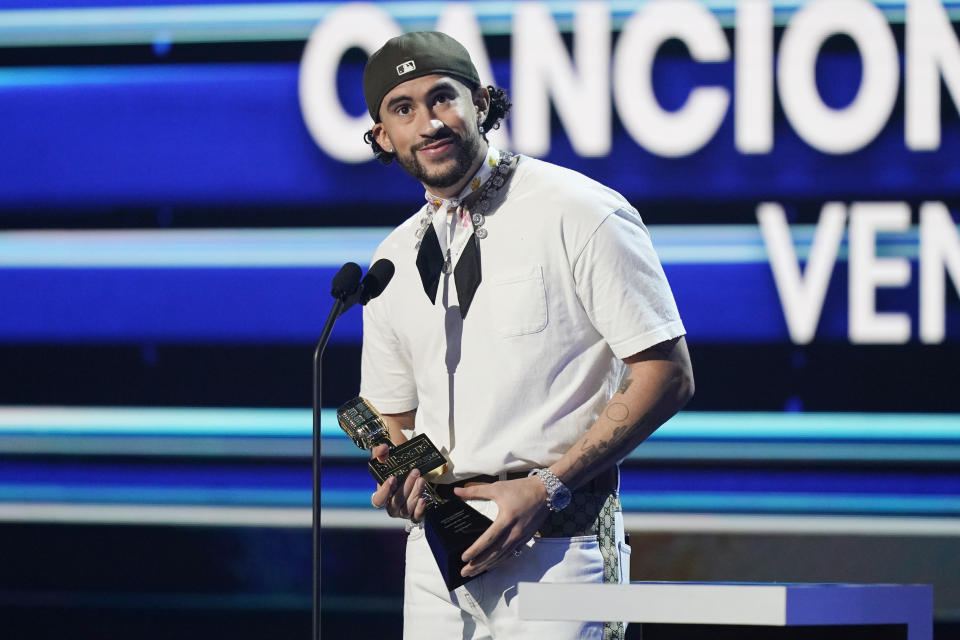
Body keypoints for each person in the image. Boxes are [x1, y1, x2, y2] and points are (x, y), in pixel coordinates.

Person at [358, 31, 694, 640]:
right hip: (435, 562)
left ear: (482, 102)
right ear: (383, 136)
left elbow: (667, 374)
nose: (429, 122)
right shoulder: (392, 259)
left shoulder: (580, 210)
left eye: (443, 98)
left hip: (558, 550)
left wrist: (548, 488)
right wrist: (399, 467)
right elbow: (393, 411)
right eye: (402, 109)